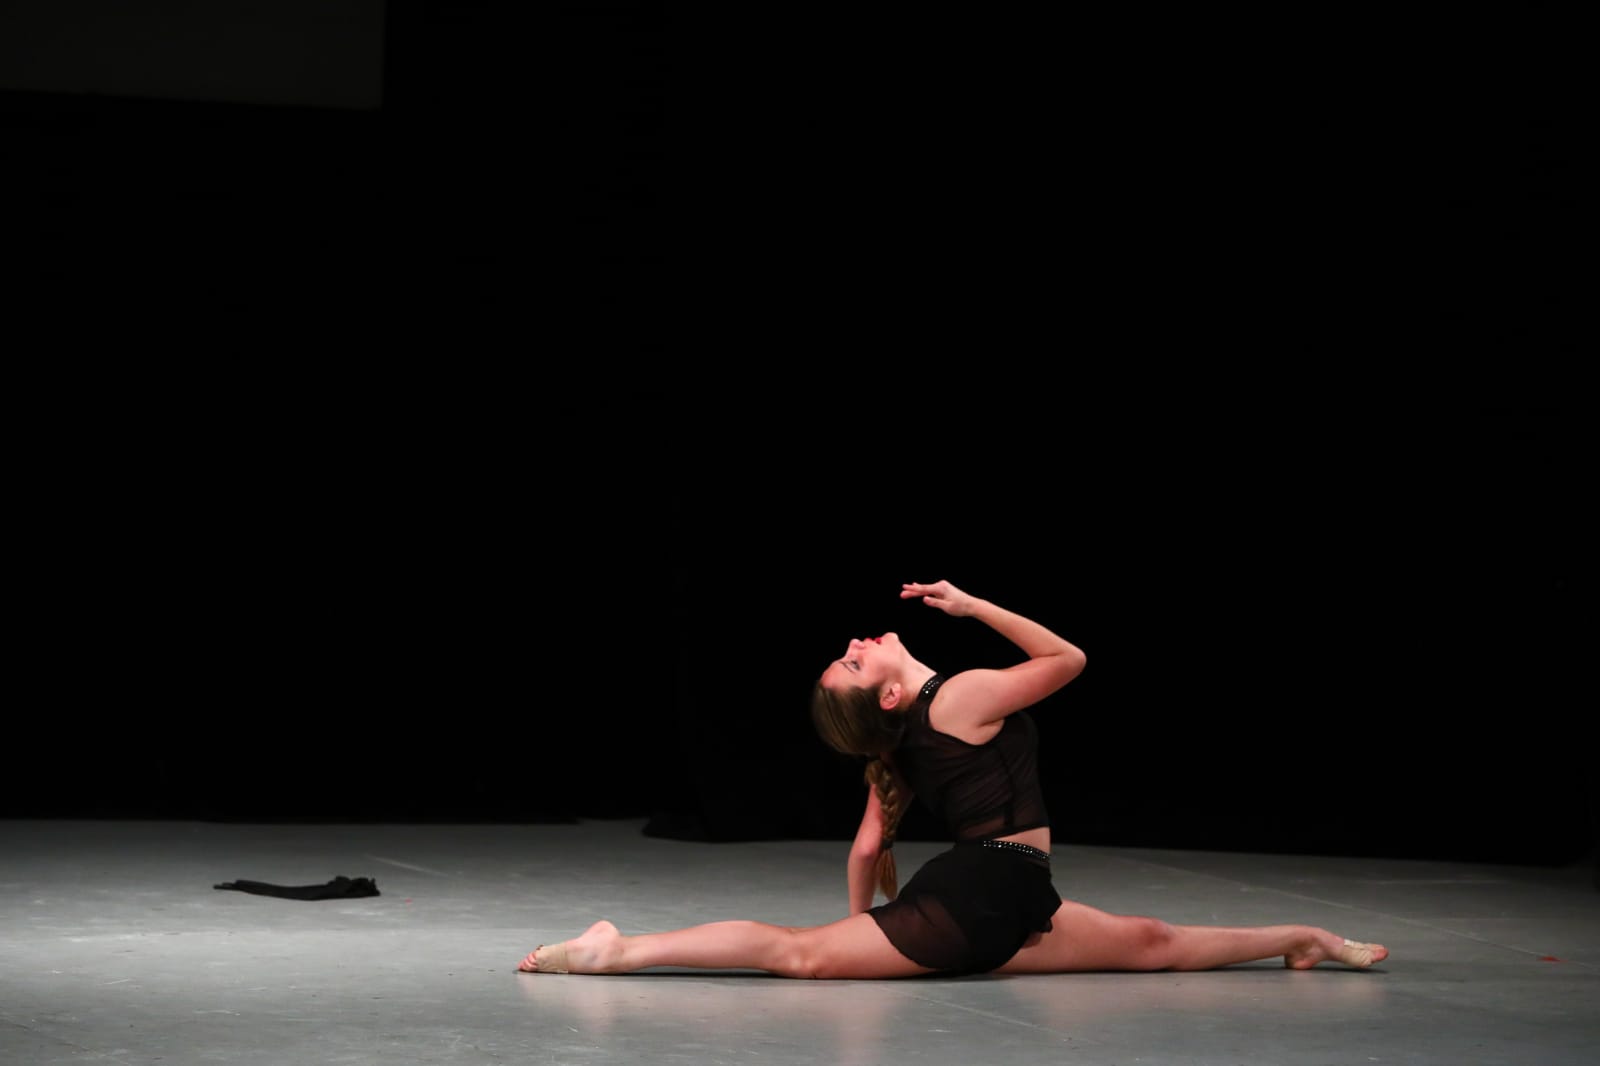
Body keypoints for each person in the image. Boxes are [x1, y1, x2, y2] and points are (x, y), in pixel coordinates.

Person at [518, 579, 1388, 978]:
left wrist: (864, 923)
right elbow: (1069, 659)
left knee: (1154, 941)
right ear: (890, 694)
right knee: (801, 954)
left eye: (847, 654)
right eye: (853, 663)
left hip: (1008, 894)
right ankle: (615, 951)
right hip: (985, 894)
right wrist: (972, 607)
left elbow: (868, 850)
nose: (856, 644)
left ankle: (1300, 936)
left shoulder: (906, 740)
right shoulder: (957, 696)